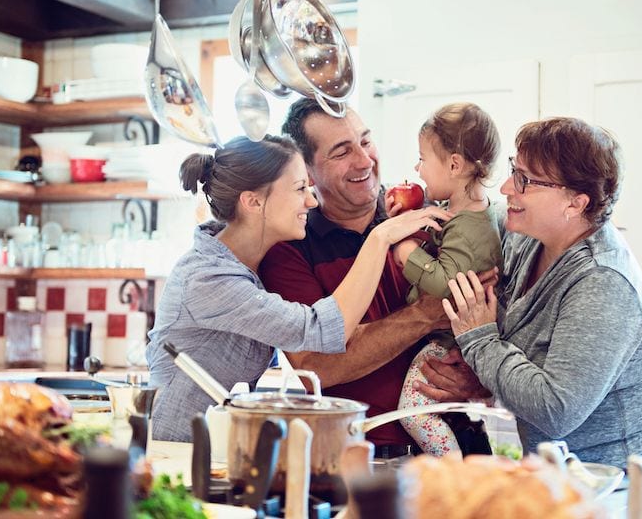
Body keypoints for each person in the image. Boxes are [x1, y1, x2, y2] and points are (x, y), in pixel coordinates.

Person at [146, 135, 451, 442]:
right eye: (299, 189)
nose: (311, 200)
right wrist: (379, 238)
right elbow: (321, 331)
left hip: (213, 449)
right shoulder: (209, 279)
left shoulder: (251, 268)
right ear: (253, 202)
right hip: (173, 452)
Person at [259, 99, 494, 458]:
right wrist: (428, 313)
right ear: (306, 170)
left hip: (464, 447)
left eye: (365, 141)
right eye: (342, 152)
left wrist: (479, 377)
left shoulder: (433, 211)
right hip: (369, 460)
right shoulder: (289, 250)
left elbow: (491, 312)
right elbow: (315, 364)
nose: (365, 161)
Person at [441, 117, 642, 468]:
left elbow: (556, 410)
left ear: (576, 204)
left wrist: (479, 341)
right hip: (560, 477)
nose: (506, 188)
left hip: (621, 485)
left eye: (525, 181)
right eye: (513, 170)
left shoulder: (603, 282)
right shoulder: (525, 236)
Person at [389, 102, 504, 457]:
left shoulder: (470, 229)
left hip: (448, 340)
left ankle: (451, 469)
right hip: (450, 335)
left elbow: (445, 286)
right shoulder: (465, 211)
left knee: (413, 410)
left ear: (454, 165)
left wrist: (404, 249)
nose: (417, 168)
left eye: (423, 159)